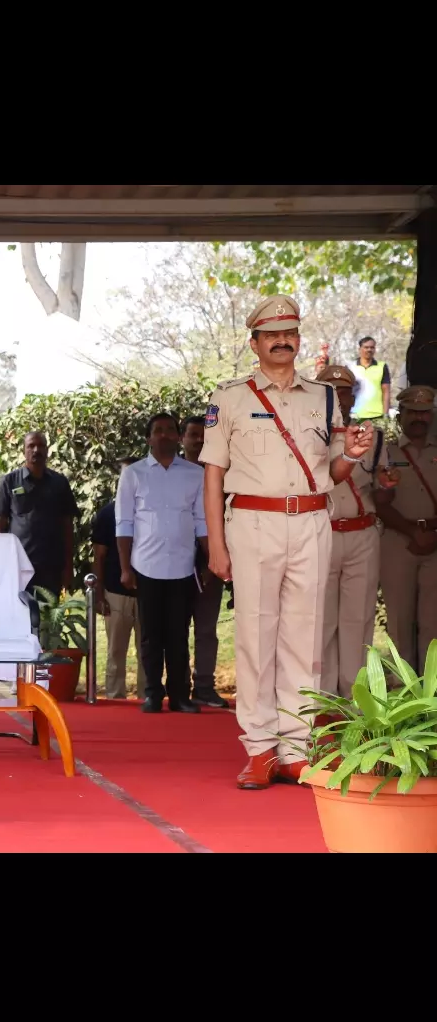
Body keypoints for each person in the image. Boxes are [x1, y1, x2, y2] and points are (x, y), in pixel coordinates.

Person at [201, 296, 375, 789]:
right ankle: (259, 748)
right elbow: (213, 475)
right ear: (254, 342)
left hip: (312, 522)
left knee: (305, 635)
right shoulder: (229, 397)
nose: (283, 341)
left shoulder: (321, 397)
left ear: (298, 339)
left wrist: (354, 457)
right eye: (272, 334)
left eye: (290, 333)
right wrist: (216, 543)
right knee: (256, 635)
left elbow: (334, 472)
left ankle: (296, 749)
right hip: (254, 522)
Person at [116, 414, 207, 713]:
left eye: (170, 430)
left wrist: (209, 560)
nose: (165, 435)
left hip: (183, 566)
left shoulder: (195, 474)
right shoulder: (134, 474)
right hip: (146, 567)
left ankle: (180, 696)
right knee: (151, 636)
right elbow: (124, 523)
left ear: (179, 437)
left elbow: (202, 521)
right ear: (148, 438)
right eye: (158, 431)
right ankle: (153, 694)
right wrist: (126, 568)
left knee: (179, 636)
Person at [316, 363, 387, 696]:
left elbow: (382, 486)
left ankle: (355, 699)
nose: (336, 398)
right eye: (329, 392)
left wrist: (389, 485)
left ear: (351, 397)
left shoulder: (371, 436)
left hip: (362, 533)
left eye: (342, 392)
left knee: (358, 620)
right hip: (322, 533)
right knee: (321, 620)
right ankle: (324, 700)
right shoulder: (305, 436)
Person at [376, 384, 437, 673]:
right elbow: (379, 501)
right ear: (400, 416)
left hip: (435, 545)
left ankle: (431, 693)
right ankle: (403, 690)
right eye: (412, 411)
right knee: (400, 621)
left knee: (433, 623)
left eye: (424, 412)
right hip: (397, 543)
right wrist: (413, 532)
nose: (419, 418)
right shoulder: (385, 452)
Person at [0, 430, 76, 620]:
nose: (36, 450)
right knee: (18, 618)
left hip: (51, 568)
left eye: (41, 446)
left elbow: (68, 527)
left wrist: (68, 566)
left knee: (48, 621)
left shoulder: (59, 483)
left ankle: (47, 650)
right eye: (31, 446)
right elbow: (0, 527)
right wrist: (1, 564)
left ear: (47, 451)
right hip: (19, 567)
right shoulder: (9, 482)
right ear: (24, 451)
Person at [180, 416, 229, 707]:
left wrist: (214, 559)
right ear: (182, 439)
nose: (199, 441)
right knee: (177, 629)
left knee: (207, 630)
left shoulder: (222, 474)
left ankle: (204, 686)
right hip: (174, 565)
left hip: (211, 565)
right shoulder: (173, 474)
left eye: (204, 436)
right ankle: (179, 685)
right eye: (193, 435)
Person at [91, 464, 146, 700]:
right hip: (115, 592)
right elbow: (99, 556)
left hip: (148, 592)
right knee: (115, 651)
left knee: (148, 651)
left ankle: (148, 695)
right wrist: (99, 594)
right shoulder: (106, 514)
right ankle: (114, 696)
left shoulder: (150, 511)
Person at [350, 337, 391, 423]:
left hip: (377, 415)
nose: (369, 350)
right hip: (355, 415)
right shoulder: (350, 367)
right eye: (366, 347)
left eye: (372, 347)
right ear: (360, 349)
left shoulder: (382, 366)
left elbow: (386, 392)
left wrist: (386, 415)